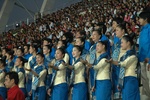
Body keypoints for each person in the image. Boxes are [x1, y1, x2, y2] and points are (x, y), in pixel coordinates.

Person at [107, 35, 140, 100]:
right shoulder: (125, 55)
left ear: (128, 43)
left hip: (131, 79)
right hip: (125, 79)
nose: (120, 44)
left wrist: (113, 62)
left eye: (122, 42)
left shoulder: (133, 54)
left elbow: (124, 64)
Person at [138, 11, 150, 98]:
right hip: (142, 57)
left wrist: (149, 57)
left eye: (140, 18)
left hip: (148, 58)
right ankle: (147, 95)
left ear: (145, 19)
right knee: (144, 79)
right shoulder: (142, 30)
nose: (139, 20)